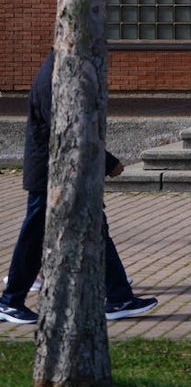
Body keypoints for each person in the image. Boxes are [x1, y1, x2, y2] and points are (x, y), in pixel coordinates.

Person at [0, 51, 158, 325]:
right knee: (36, 236)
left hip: (66, 171)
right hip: (51, 173)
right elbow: (68, 129)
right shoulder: (55, 78)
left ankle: (119, 295)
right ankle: (10, 300)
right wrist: (108, 162)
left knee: (94, 228)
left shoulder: (62, 72)